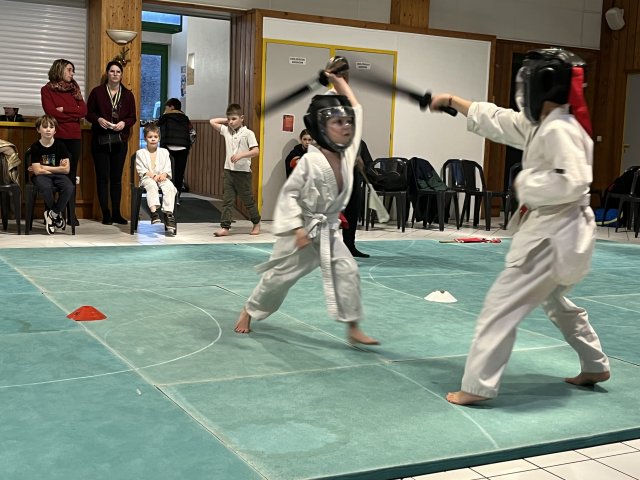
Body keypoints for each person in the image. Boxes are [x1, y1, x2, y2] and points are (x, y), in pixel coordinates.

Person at [429, 48, 610, 405]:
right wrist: (452, 101)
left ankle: (477, 386)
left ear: (542, 84)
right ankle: (594, 364)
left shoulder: (560, 129)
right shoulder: (545, 124)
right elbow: (499, 119)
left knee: (501, 305)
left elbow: (572, 182)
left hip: (553, 236)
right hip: (561, 233)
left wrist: (525, 182)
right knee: (555, 301)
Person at [234, 70, 379, 346]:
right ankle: (249, 310)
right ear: (321, 128)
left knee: (347, 270)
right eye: (338, 122)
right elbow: (289, 195)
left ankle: (352, 326)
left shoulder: (348, 151)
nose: (346, 127)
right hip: (300, 231)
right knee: (278, 279)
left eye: (347, 122)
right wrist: (297, 228)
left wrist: (339, 82)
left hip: (328, 230)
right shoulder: (309, 162)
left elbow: (356, 109)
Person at [324, 56, 371, 258]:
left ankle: (349, 245)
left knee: (353, 206)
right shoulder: (328, 99)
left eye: (345, 72)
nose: (344, 76)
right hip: (333, 165)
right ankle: (326, 247)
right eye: (340, 72)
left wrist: (356, 154)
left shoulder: (348, 98)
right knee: (330, 209)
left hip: (350, 164)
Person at [86, 60, 137, 225]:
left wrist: (124, 123)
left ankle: (116, 213)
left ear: (121, 75)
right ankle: (105, 214)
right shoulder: (97, 92)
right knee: (102, 178)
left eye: (118, 72)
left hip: (119, 141)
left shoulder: (128, 95)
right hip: (100, 140)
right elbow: (88, 113)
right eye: (112, 71)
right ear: (107, 73)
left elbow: (133, 117)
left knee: (116, 178)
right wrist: (98, 119)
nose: (115, 74)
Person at [41, 58, 87, 226]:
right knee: (50, 173)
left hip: (74, 137)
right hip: (55, 138)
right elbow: (51, 113)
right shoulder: (47, 90)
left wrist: (65, 110)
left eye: (73, 70)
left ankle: (70, 214)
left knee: (71, 175)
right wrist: (72, 116)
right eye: (69, 70)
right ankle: (50, 213)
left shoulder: (74, 88)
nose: (72, 73)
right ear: (59, 70)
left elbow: (84, 111)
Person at [209, 103, 260, 237]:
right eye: (229, 119)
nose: (231, 122)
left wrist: (241, 155)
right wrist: (227, 121)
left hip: (243, 173)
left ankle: (256, 222)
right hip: (228, 171)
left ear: (242, 118)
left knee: (247, 200)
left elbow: (256, 151)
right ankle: (225, 227)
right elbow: (212, 121)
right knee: (227, 200)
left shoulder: (248, 133)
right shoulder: (226, 131)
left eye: (234, 119)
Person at [28, 115, 74, 235]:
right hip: (41, 177)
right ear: (38, 130)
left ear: (55, 130)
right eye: (45, 127)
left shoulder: (61, 145)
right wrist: (57, 169)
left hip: (58, 176)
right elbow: (37, 172)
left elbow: (66, 170)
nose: (48, 129)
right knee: (46, 187)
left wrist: (43, 167)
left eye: (51, 127)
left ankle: (52, 214)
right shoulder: (35, 147)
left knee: (69, 187)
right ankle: (57, 216)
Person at [135, 124, 177, 235]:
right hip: (148, 177)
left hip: (162, 177)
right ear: (145, 138)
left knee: (170, 187)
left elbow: (167, 167)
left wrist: (164, 174)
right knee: (151, 185)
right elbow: (142, 170)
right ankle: (154, 213)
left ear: (159, 138)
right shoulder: (140, 153)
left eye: (155, 137)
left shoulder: (164, 152)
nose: (153, 139)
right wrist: (153, 176)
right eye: (150, 137)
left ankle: (168, 214)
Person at [156, 98, 192, 205]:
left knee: (167, 172)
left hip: (168, 147)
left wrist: (164, 114)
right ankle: (177, 197)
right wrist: (188, 145)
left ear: (171, 107)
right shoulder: (185, 118)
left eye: (166, 107)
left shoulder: (165, 116)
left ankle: (167, 197)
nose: (165, 109)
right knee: (179, 173)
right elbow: (192, 133)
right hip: (183, 147)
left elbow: (157, 125)